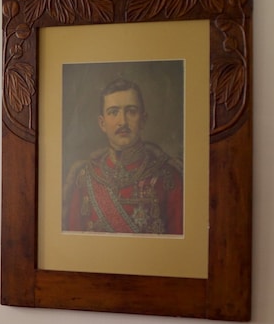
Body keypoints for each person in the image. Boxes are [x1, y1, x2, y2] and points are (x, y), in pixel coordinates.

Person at [63, 77, 184, 234]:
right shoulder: (84, 177)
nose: (123, 122)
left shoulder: (168, 177)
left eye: (131, 111)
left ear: (143, 120)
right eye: (113, 112)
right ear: (102, 123)